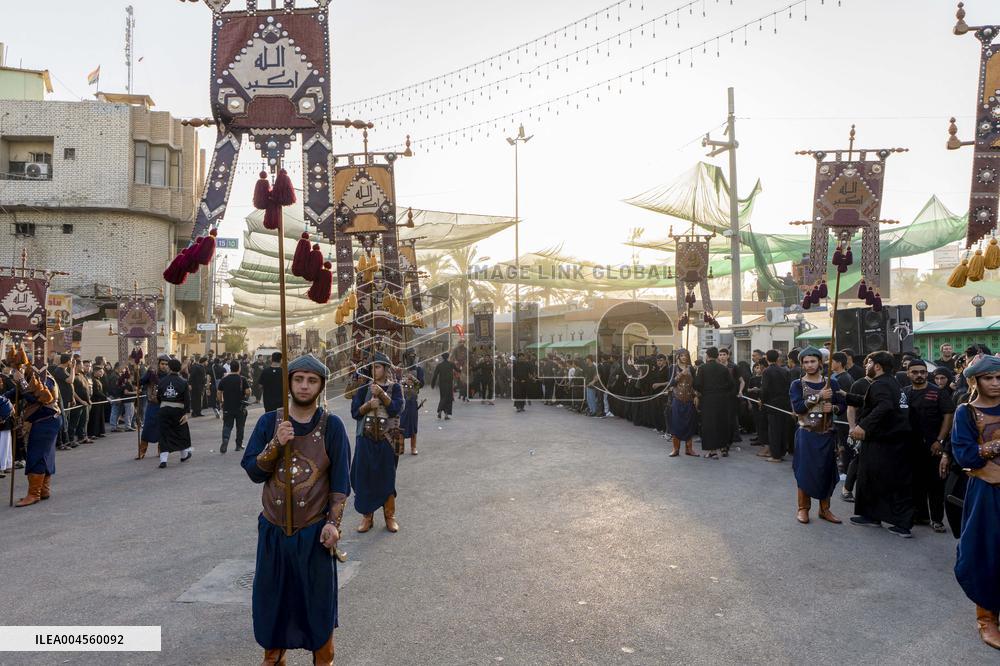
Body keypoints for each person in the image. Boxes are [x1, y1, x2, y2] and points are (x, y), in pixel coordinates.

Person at [241, 354, 350, 664]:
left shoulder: (333, 426)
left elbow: (341, 482)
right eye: (299, 379)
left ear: (321, 385)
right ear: (289, 382)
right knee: (272, 602)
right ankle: (274, 658)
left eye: (312, 380)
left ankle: (323, 659)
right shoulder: (269, 422)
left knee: (317, 605)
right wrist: (276, 444)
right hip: (274, 532)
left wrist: (333, 524)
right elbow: (253, 471)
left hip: (314, 533)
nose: (304, 386)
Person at [949, 354, 1000, 650]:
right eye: (988, 378)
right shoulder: (966, 413)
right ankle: (986, 618)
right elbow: (966, 456)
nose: (995, 383)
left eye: (998, 378)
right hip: (986, 491)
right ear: (975, 381)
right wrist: (995, 445)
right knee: (985, 551)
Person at [844, 351, 914, 537]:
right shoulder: (890, 382)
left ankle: (902, 524)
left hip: (886, 441)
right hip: (885, 440)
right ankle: (871, 515)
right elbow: (872, 403)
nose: (866, 366)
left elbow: (884, 406)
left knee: (891, 482)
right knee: (869, 478)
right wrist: (844, 396)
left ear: (877, 366)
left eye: (868, 363)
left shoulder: (881, 384)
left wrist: (863, 426)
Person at [790, 347, 845, 524]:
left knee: (826, 471)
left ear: (820, 362)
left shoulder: (832, 383)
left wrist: (834, 408)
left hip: (827, 434)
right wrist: (819, 397)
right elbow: (798, 408)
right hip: (806, 434)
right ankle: (803, 509)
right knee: (804, 471)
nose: (809, 365)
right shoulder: (797, 385)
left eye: (812, 361)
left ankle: (825, 509)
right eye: (805, 362)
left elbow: (842, 405)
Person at [351, 353, 404, 533]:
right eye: (372, 367)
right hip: (365, 439)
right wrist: (368, 406)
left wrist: (381, 394)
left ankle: (390, 516)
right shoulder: (364, 388)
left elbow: (397, 408)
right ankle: (367, 517)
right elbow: (355, 413)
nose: (375, 370)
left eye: (378, 367)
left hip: (386, 440)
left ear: (385, 368)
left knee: (387, 477)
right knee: (365, 478)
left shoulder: (395, 387)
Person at [904, 358, 954, 533]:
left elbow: (948, 415)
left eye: (923, 372)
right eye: (915, 372)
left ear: (927, 373)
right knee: (915, 483)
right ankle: (920, 515)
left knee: (935, 485)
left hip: (933, 446)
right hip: (911, 447)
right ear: (908, 374)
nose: (919, 375)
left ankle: (937, 519)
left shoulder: (938, 392)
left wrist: (940, 440)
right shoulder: (905, 392)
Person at [12, 362, 61, 507]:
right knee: (44, 455)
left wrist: (20, 380)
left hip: (46, 422)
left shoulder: (46, 379)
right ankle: (43, 490)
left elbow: (38, 398)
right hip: (44, 422)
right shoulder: (32, 379)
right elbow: (18, 393)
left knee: (37, 455)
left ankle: (34, 494)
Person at [693, 347, 735, 459]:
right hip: (722, 400)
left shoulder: (702, 368)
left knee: (709, 425)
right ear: (717, 356)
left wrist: (703, 392)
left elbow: (697, 384)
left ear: (707, 356)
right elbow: (731, 384)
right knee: (721, 423)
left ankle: (712, 451)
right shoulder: (723, 369)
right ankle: (723, 448)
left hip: (708, 399)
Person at [156, 358, 192, 468]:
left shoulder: (162, 381)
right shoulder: (183, 382)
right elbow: (187, 399)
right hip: (178, 411)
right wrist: (187, 413)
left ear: (170, 367)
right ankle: (184, 455)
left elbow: (158, 397)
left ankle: (163, 460)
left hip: (164, 410)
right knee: (181, 433)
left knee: (164, 434)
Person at [760, 349, 794, 463]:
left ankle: (776, 456)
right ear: (777, 358)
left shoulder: (767, 371)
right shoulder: (785, 370)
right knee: (783, 429)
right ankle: (782, 451)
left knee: (774, 430)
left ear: (766, 359)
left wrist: (762, 401)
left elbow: (764, 389)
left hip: (773, 403)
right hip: (785, 402)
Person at [137, 355, 169, 461]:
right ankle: (142, 451)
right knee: (147, 428)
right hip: (153, 404)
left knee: (163, 428)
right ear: (158, 364)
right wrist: (139, 372)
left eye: (166, 364)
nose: (164, 366)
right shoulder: (152, 373)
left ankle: (161, 450)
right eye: (162, 364)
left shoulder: (169, 376)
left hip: (164, 405)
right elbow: (140, 382)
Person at [667, 349, 697, 457]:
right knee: (676, 423)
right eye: (682, 355)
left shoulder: (691, 368)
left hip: (689, 399)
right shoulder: (672, 368)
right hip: (677, 398)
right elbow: (671, 383)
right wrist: (680, 375)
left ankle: (689, 449)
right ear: (678, 356)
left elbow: (695, 384)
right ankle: (675, 449)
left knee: (689, 424)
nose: (684, 357)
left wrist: (696, 396)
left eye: (686, 355)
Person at [218, 359, 251, 454]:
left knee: (227, 425)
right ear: (239, 368)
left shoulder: (224, 379)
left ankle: (225, 439)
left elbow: (219, 392)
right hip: (240, 407)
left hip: (228, 406)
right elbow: (248, 391)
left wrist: (221, 402)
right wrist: (246, 396)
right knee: (240, 426)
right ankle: (238, 445)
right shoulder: (242, 379)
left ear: (230, 368)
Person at [400, 352, 424, 455]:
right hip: (402, 400)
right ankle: (400, 447)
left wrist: (413, 379)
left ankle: (413, 447)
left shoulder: (418, 369)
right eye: (409, 356)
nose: (411, 358)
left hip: (413, 400)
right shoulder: (401, 368)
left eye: (413, 356)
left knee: (413, 424)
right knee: (401, 424)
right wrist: (404, 381)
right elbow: (395, 381)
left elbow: (421, 384)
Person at [431, 352, 456, 419]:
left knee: (443, 397)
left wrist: (432, 384)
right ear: (448, 357)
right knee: (448, 399)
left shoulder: (439, 365)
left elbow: (435, 375)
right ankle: (446, 415)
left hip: (442, 384)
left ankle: (440, 412)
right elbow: (458, 370)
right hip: (449, 383)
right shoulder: (451, 364)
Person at [87, 365, 107, 439]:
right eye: (100, 371)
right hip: (95, 401)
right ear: (95, 372)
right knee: (94, 417)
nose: (102, 373)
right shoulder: (93, 380)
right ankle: (92, 433)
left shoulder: (98, 380)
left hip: (100, 401)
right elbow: (96, 391)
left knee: (100, 417)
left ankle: (99, 432)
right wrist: (105, 397)